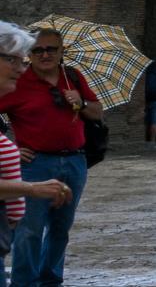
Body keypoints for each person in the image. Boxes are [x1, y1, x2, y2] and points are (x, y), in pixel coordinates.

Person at [0, 28, 102, 287]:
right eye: (37, 50)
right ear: (29, 55)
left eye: (51, 49)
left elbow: (97, 112)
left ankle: (50, 280)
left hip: (75, 161)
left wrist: (80, 103)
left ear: (61, 52)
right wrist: (10, 147)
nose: (45, 54)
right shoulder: (18, 81)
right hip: (35, 163)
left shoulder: (73, 77)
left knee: (60, 229)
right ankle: (24, 283)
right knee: (30, 230)